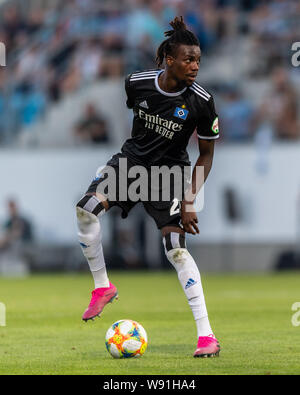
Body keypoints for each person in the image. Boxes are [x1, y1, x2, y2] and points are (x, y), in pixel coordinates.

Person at [76, 16, 220, 358]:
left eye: (198, 59)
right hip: (131, 164)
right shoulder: (136, 83)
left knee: (175, 248)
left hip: (169, 175)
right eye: (188, 59)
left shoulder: (202, 101)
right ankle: (103, 287)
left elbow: (207, 155)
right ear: (169, 59)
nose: (195, 65)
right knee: (85, 211)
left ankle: (206, 337)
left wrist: (189, 200)